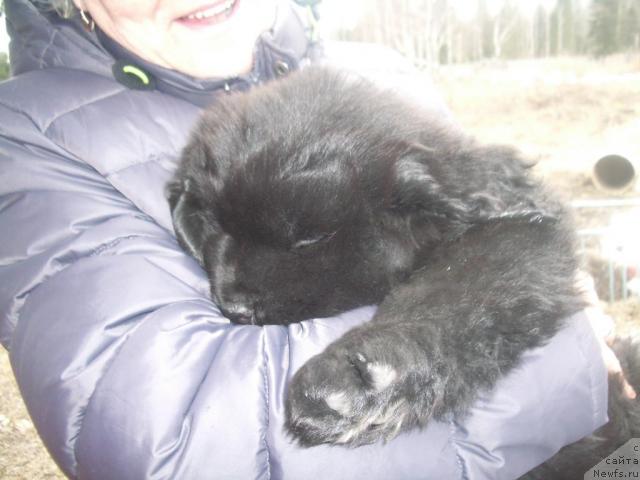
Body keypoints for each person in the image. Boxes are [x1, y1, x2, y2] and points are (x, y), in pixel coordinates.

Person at [0, 1, 615, 478]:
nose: (234, 292)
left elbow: (512, 225)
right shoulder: (30, 136)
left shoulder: (379, 76)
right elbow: (175, 441)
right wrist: (565, 346)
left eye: (299, 243)